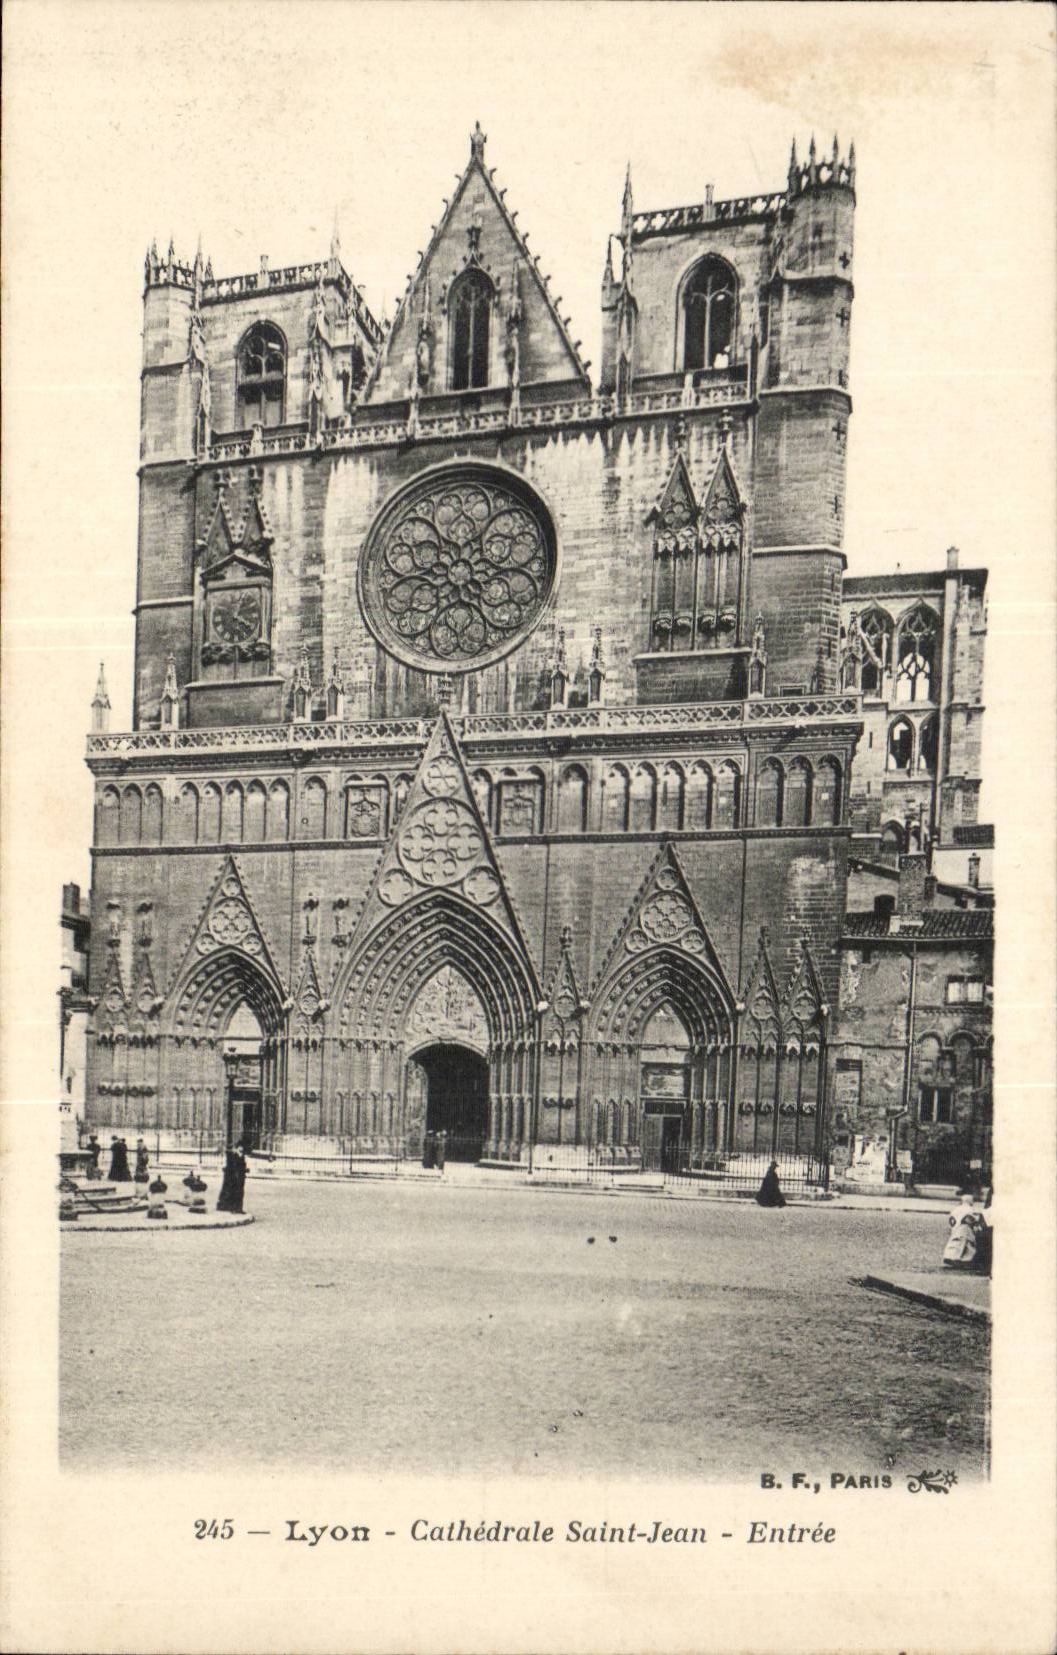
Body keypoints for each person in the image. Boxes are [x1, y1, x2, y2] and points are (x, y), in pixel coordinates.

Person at [943, 1191, 986, 1271]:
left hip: (955, 1229)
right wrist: (976, 1224)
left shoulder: (956, 1209)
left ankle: (949, 1257)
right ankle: (964, 1260)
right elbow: (968, 1219)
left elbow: (951, 1220)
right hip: (965, 1229)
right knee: (966, 1245)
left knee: (955, 1244)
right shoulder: (969, 1209)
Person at [216, 1142, 247, 1214]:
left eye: (242, 1148)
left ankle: (239, 1208)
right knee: (234, 1193)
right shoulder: (234, 1156)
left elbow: (242, 1167)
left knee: (240, 1193)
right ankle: (233, 1208)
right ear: (237, 1148)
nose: (241, 1149)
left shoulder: (242, 1156)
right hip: (235, 1178)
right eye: (239, 1147)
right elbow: (233, 1167)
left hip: (241, 1178)